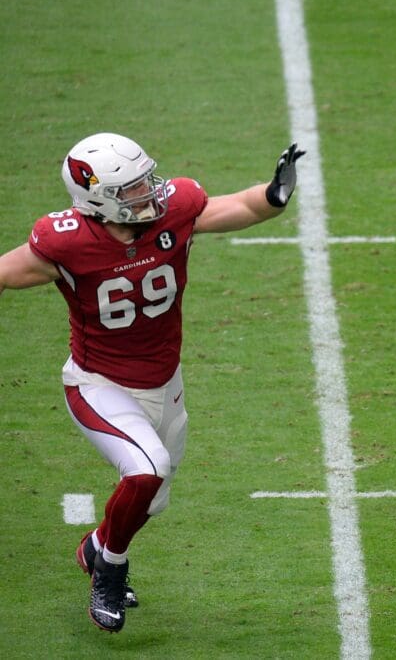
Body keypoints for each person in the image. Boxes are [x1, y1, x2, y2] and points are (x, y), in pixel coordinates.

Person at [0, 133, 305, 631]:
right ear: (97, 199)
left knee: (150, 498)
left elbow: (234, 208)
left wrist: (273, 195)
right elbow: (6, 273)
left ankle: (95, 548)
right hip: (101, 386)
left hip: (166, 382)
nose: (149, 194)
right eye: (133, 189)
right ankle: (110, 573)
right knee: (147, 470)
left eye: (147, 181)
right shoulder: (68, 241)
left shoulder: (172, 210)